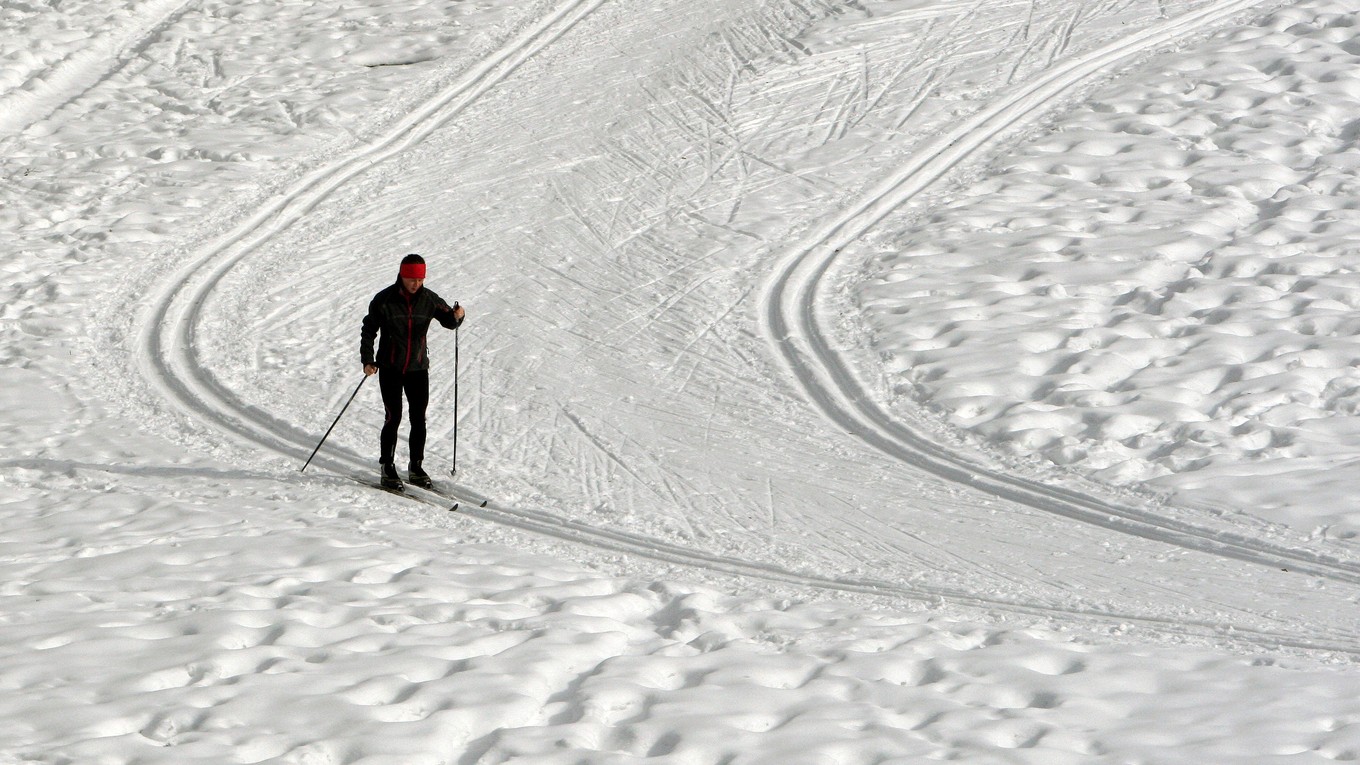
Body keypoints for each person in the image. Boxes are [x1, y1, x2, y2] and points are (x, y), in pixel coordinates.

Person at [360, 253, 465, 490]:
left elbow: (449, 322)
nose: (415, 284)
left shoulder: (429, 299)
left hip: (418, 368)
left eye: (419, 279)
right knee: (393, 417)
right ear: (402, 275)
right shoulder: (384, 299)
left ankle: (416, 467)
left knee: (419, 419)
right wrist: (368, 359)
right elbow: (369, 329)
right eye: (411, 279)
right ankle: (387, 467)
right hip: (390, 367)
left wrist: (458, 316)